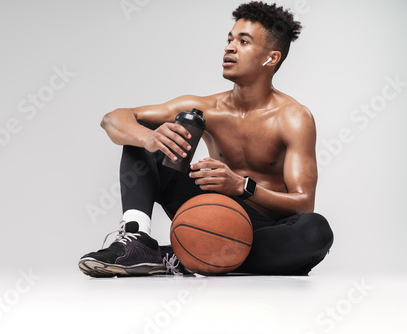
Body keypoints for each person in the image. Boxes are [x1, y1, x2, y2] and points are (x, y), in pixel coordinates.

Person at [79, 1, 333, 277]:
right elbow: (114, 119)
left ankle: (177, 256)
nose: (229, 47)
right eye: (229, 39)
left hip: (264, 228)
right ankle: (137, 238)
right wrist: (150, 137)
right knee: (142, 132)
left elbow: (303, 203)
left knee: (315, 231)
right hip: (207, 211)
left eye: (244, 42)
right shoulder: (206, 107)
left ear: (270, 58)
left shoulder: (293, 117)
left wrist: (241, 186)